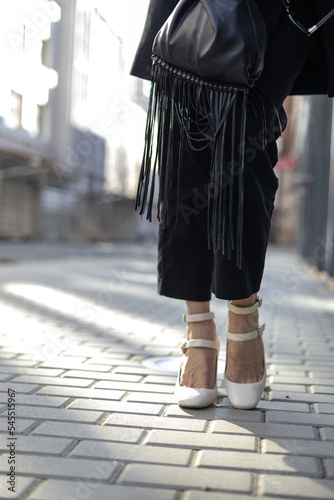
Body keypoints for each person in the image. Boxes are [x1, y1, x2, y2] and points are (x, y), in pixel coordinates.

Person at [130, 0, 334, 409]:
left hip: (287, 9)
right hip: (192, 10)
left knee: (247, 150)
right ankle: (199, 330)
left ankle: (244, 316)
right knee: (184, 151)